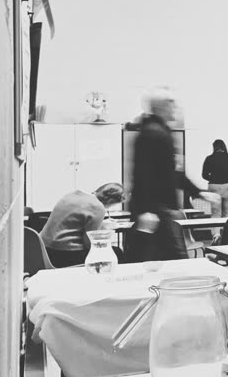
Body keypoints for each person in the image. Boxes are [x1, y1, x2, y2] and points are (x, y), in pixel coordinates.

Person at [128, 88, 187, 263]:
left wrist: (198, 192)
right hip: (153, 209)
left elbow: (172, 172)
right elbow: (144, 174)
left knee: (148, 257)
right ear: (162, 107)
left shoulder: (157, 131)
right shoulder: (154, 133)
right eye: (171, 104)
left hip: (155, 209)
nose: (175, 108)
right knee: (171, 259)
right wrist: (147, 209)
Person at [40, 182, 125, 268]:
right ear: (111, 201)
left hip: (44, 250)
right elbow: (89, 244)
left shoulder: (72, 195)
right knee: (117, 252)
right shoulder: (98, 207)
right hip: (63, 255)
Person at [202, 139, 228, 215]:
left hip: (214, 186)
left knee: (215, 212)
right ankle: (227, 223)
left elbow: (204, 175)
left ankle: (215, 223)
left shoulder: (209, 158)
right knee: (227, 212)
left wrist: (213, 178)